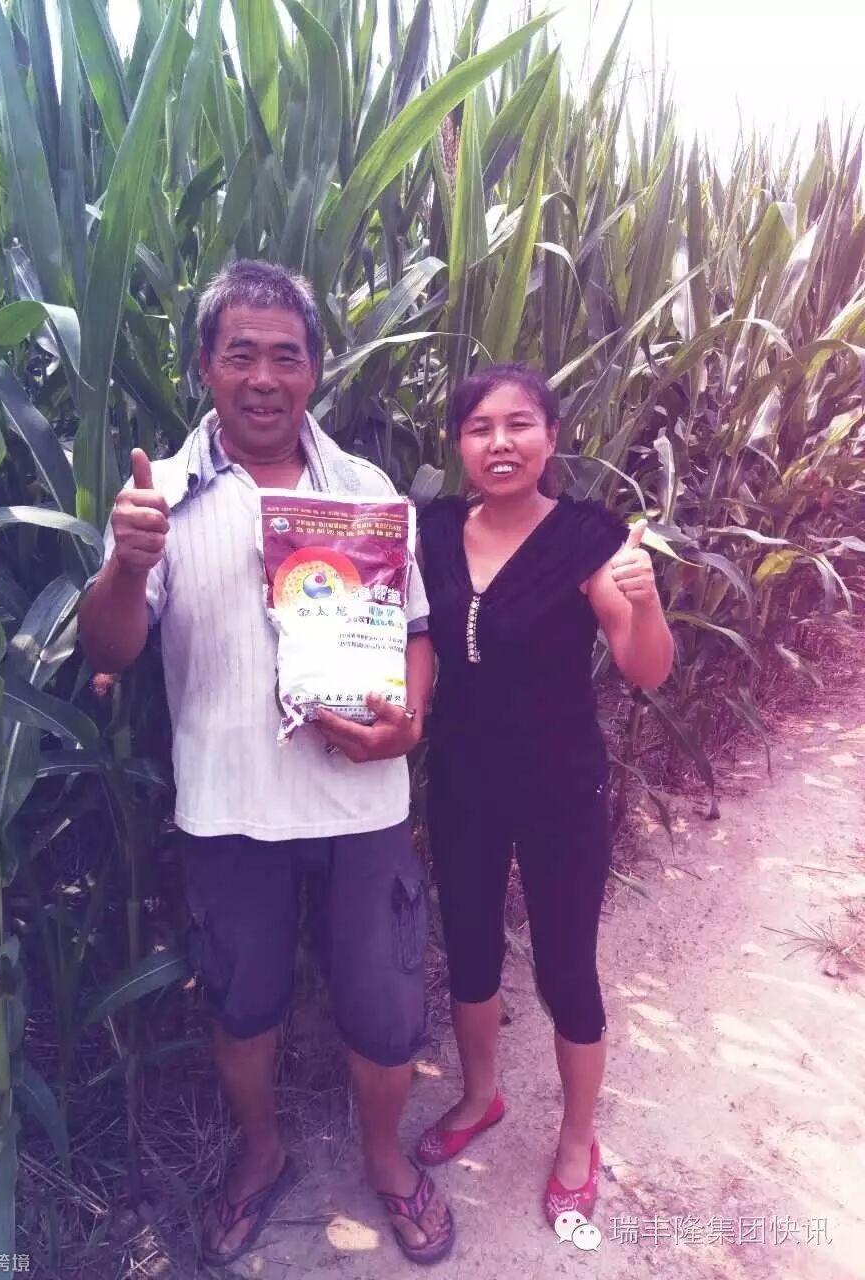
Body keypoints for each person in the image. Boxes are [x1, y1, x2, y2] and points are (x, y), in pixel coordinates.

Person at [78, 261, 454, 1267]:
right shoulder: (159, 499)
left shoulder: (364, 490)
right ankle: (261, 1153)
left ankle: (386, 1159)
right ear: (204, 365)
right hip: (231, 808)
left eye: (286, 356)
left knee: (384, 1008)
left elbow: (417, 628)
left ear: (315, 370)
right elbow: (108, 648)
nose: (263, 377)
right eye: (239, 353)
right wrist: (127, 564)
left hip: (361, 802)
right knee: (241, 1007)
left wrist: (410, 721)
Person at [414, 363, 674, 1225]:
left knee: (566, 965)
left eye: (520, 424)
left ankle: (576, 1137)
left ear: (551, 438)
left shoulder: (588, 538)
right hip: (462, 777)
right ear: (459, 445)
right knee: (470, 948)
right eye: (480, 427)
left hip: (560, 784)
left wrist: (646, 603)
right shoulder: (434, 532)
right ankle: (479, 1096)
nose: (501, 442)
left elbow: (645, 668)